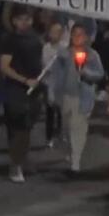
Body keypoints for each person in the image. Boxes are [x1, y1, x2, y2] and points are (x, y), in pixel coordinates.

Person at [48, 23, 105, 175]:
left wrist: (86, 72)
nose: (77, 37)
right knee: (67, 127)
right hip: (66, 96)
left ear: (86, 37)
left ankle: (76, 160)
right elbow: (54, 74)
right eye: (74, 34)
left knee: (78, 127)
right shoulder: (63, 54)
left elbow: (100, 74)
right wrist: (51, 92)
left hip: (83, 97)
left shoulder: (92, 55)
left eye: (80, 34)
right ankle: (70, 150)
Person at [0, 6, 44, 183]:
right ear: (14, 21)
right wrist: (24, 80)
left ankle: (21, 158)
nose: (24, 23)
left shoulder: (36, 38)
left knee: (26, 126)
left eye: (27, 19)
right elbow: (4, 67)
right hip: (15, 89)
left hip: (35, 88)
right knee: (20, 126)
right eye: (20, 19)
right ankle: (15, 165)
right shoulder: (9, 40)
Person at [42, 22, 66, 150]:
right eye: (52, 32)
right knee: (50, 111)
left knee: (62, 112)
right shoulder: (46, 48)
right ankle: (49, 137)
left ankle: (60, 133)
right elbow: (46, 65)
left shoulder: (65, 47)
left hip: (62, 84)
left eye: (57, 32)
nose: (54, 34)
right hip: (49, 83)